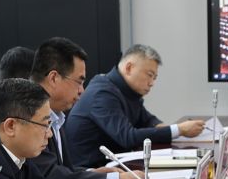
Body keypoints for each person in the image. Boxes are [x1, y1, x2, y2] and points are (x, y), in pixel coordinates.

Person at [27, 37, 144, 179]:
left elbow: (65, 170)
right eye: (78, 82)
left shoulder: (56, 115)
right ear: (54, 78)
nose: (82, 90)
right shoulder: (28, 115)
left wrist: (93, 173)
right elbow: (51, 177)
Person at [62, 43, 205, 163]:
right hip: (91, 172)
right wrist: (179, 130)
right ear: (129, 68)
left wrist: (166, 128)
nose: (152, 83)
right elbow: (127, 137)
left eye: (154, 78)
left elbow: (148, 120)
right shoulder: (102, 93)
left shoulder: (127, 90)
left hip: (116, 164)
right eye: (149, 75)